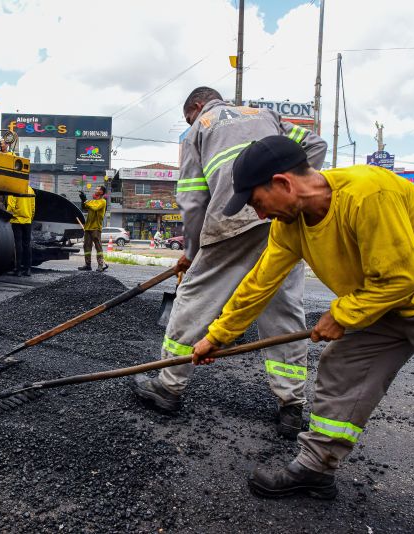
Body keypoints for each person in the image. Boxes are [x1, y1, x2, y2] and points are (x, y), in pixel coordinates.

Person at [190, 135, 414, 533]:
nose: (260, 214)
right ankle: (315, 468)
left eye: (258, 203)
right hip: (384, 298)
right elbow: (260, 282)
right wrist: (218, 336)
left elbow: (402, 277)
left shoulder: (369, 193)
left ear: (283, 184)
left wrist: (343, 313)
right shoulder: (292, 224)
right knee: (342, 375)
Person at [129, 87, 327, 439]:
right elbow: (315, 145)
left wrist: (191, 251)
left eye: (188, 117)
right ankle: (291, 407)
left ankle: (168, 385)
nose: (190, 121)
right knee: (283, 311)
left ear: (194, 107)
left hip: (231, 221)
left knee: (194, 299)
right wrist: (289, 191)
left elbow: (191, 198)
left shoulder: (200, 126)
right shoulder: (263, 115)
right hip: (282, 217)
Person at [6, 185, 35, 276]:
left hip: (16, 220)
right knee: (27, 244)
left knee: (18, 244)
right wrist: (30, 217)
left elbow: (11, 207)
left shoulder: (14, 189)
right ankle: (28, 269)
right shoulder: (31, 190)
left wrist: (7, 217)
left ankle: (17, 270)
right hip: (28, 221)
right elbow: (33, 207)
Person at [78, 186, 108, 272]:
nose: (95, 190)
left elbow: (95, 207)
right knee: (87, 247)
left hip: (96, 227)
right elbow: (85, 207)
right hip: (88, 227)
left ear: (101, 192)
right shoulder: (92, 201)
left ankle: (100, 265)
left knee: (98, 247)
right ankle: (87, 265)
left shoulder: (103, 201)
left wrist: (86, 201)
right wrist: (83, 200)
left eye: (97, 189)